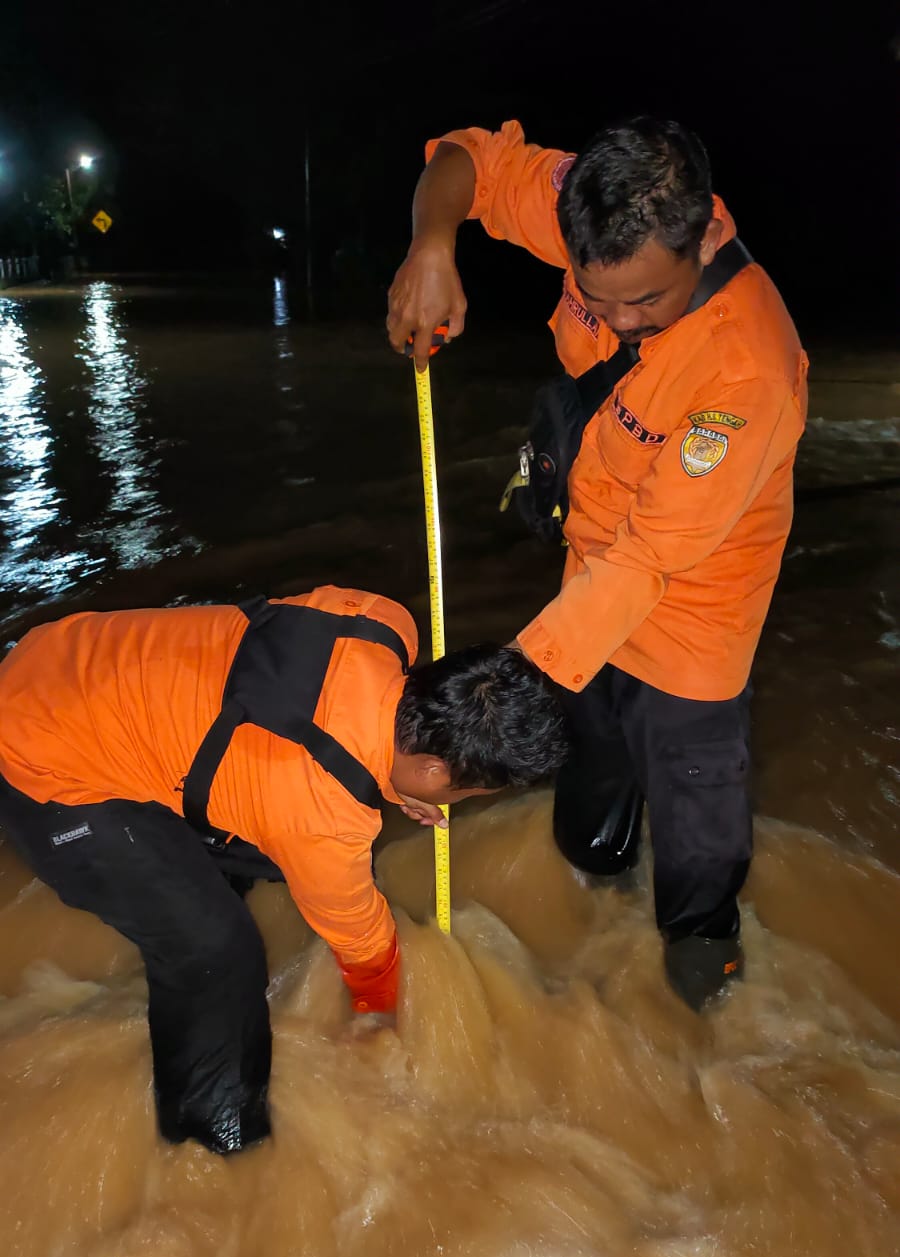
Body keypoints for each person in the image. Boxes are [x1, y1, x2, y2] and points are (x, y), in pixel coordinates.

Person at [387, 116, 809, 1012]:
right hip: (586, 595)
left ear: (698, 240)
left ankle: (709, 988)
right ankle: (596, 898)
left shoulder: (749, 371)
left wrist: (500, 700)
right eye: (596, 295)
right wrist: (433, 245)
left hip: (694, 622)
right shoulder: (600, 204)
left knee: (698, 849)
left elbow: (653, 557)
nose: (619, 320)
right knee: (587, 820)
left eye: (647, 304)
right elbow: (469, 160)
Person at [0, 585, 569, 1155]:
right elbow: (358, 933)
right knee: (216, 950)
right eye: (466, 792)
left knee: (276, 841)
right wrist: (380, 1011)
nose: (461, 801)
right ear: (431, 770)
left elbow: (315, 725)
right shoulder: (321, 818)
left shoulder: (380, 622)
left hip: (64, 653)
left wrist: (389, 787)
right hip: (37, 753)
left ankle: (199, 875)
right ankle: (211, 1139)